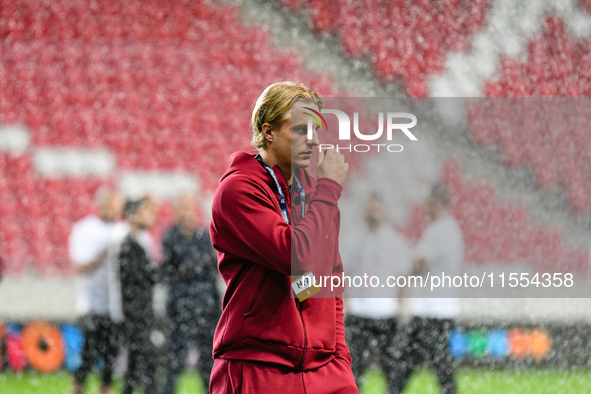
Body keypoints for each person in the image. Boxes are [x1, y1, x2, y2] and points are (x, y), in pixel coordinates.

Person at [209, 81, 357, 393]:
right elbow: (294, 255)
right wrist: (329, 187)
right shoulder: (237, 190)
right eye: (302, 129)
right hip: (258, 366)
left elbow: (332, 281)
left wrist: (339, 357)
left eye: (316, 130)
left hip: (323, 370)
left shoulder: (316, 194)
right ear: (268, 131)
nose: (313, 141)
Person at [389, 183, 464, 394]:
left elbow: (419, 262)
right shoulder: (452, 230)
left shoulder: (438, 230)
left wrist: (403, 276)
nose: (426, 209)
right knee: (440, 365)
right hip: (442, 309)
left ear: (435, 203)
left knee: (405, 363)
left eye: (428, 204)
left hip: (430, 310)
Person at [341, 194, 412, 391]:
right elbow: (346, 270)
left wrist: (400, 302)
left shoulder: (394, 240)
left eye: (376, 208)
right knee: (354, 365)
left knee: (391, 365)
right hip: (359, 310)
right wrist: (347, 300)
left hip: (385, 310)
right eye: (370, 208)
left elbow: (403, 273)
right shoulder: (355, 238)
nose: (373, 212)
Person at [161, 193, 221, 394]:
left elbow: (212, 269)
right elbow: (174, 271)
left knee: (209, 360)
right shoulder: (170, 237)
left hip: (206, 307)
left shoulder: (204, 236)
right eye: (183, 208)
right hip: (182, 307)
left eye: (190, 208)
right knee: (175, 359)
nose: (188, 213)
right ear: (176, 212)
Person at [69, 188, 124, 394]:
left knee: (111, 356)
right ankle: (78, 388)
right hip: (91, 304)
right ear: (100, 204)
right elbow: (80, 266)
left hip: (115, 305)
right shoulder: (85, 229)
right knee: (88, 354)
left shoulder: (120, 229)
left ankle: (105, 390)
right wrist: (105, 252)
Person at [118, 197, 159, 394]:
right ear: (133, 215)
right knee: (147, 362)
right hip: (136, 313)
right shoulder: (128, 244)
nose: (150, 215)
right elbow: (140, 277)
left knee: (135, 365)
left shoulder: (138, 242)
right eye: (144, 211)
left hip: (138, 311)